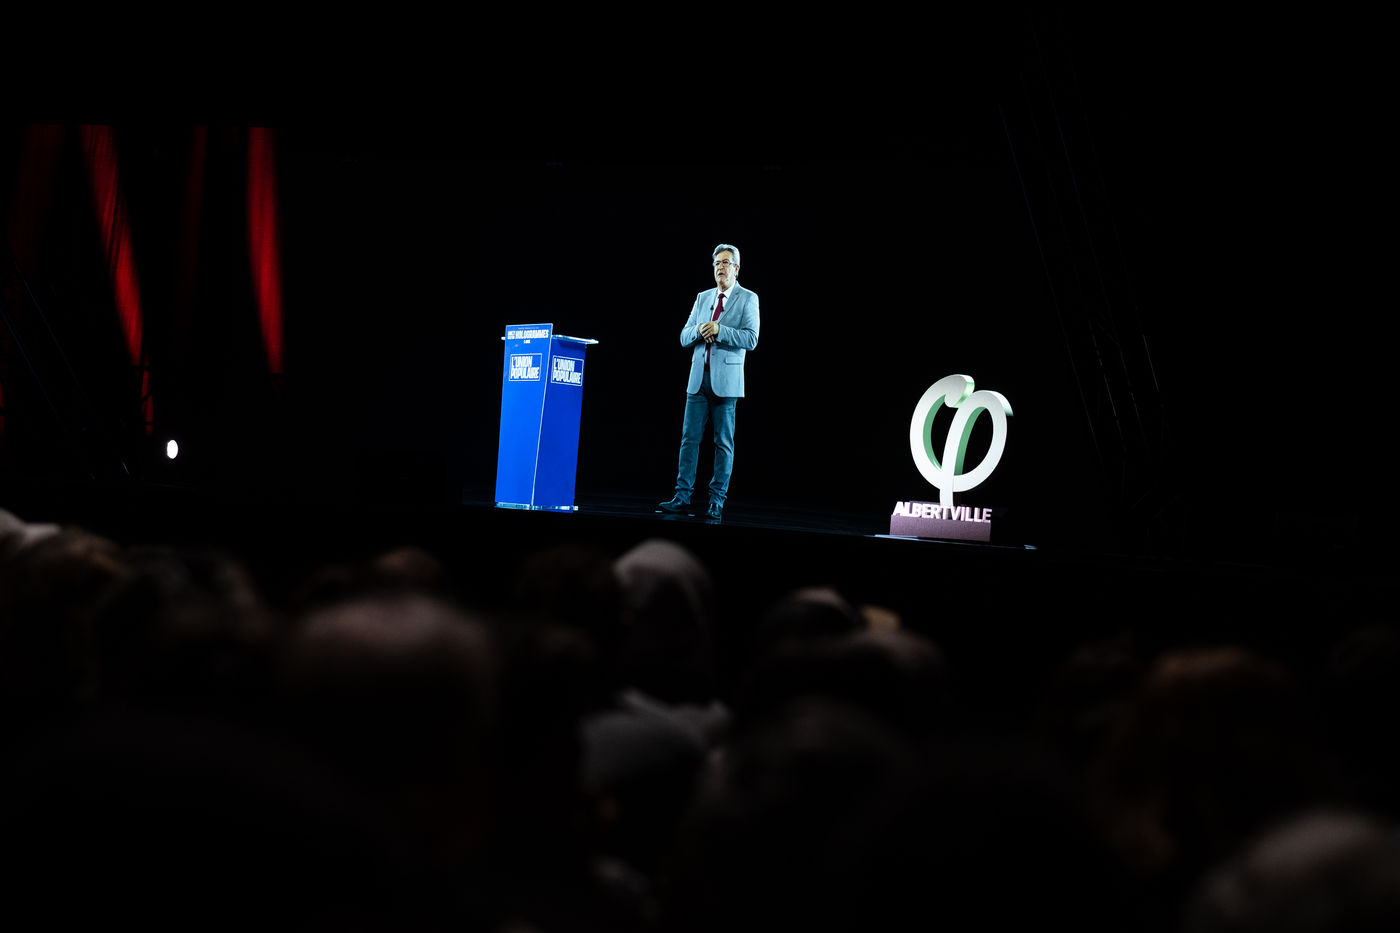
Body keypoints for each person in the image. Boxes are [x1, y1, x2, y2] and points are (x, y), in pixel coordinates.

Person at [658, 243, 760, 523]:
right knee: (689, 440)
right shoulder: (703, 297)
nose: (720, 267)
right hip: (697, 380)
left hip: (726, 383)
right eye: (717, 263)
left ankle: (716, 500)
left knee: (723, 443)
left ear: (736, 268)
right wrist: (699, 330)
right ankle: (682, 496)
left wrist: (720, 329)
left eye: (726, 263)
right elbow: (684, 336)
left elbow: (751, 338)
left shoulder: (748, 298)